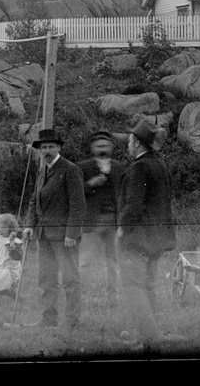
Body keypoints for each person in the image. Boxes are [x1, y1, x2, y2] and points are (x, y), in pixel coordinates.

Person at [117, 120, 176, 346]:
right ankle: (150, 337)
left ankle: (150, 340)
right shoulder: (159, 165)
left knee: (134, 288)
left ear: (139, 144)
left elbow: (134, 205)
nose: (128, 145)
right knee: (148, 287)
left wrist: (121, 229)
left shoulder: (139, 168)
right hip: (157, 239)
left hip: (138, 240)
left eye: (130, 141)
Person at [22, 128, 86, 330]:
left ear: (59, 147)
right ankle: (48, 319)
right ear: (39, 150)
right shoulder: (42, 171)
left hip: (64, 237)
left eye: (51, 146)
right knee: (46, 279)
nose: (47, 150)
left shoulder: (70, 170)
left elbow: (78, 205)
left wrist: (71, 233)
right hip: (44, 235)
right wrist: (29, 226)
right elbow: (34, 201)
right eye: (43, 147)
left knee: (70, 279)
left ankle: (72, 320)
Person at [77, 130, 125, 307]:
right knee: (86, 261)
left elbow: (124, 192)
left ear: (112, 147)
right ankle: (81, 296)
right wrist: (90, 184)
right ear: (92, 148)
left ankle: (114, 296)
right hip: (91, 221)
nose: (102, 149)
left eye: (105, 145)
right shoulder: (83, 167)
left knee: (113, 261)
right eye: (98, 146)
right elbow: (74, 192)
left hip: (113, 220)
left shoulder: (119, 167)